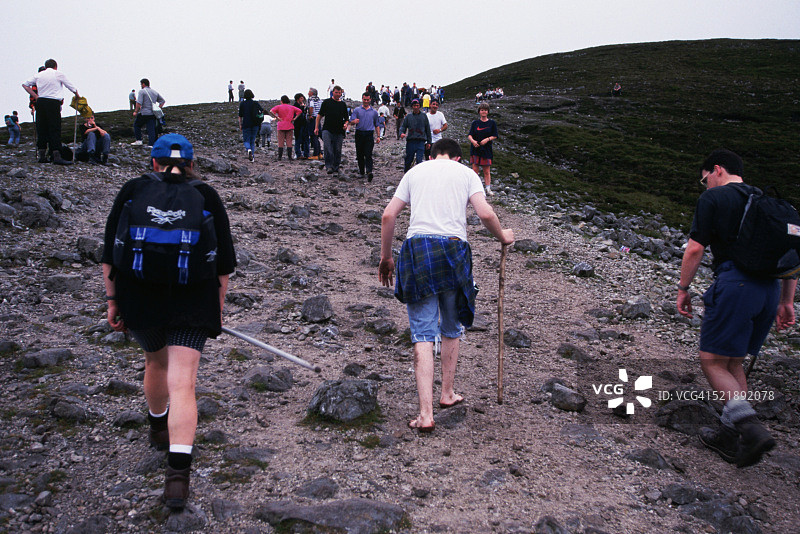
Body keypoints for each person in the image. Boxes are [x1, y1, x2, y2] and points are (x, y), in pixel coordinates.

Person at [101, 133, 236, 510]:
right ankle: (178, 476)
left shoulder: (132, 190)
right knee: (184, 382)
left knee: (154, 361)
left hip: (139, 296)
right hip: (193, 300)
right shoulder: (206, 196)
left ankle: (158, 426)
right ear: (192, 163)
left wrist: (113, 301)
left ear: (154, 162)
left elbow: (110, 251)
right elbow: (224, 264)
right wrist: (217, 306)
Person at [379, 138, 514, 432]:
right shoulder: (466, 173)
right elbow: (485, 213)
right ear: (457, 157)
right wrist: (503, 236)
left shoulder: (415, 172)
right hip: (453, 250)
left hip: (417, 250)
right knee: (452, 326)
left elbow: (389, 215)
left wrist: (386, 257)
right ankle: (447, 393)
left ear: (431, 155)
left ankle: (425, 414)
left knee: (423, 333)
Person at [677, 149, 797, 468]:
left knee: (712, 362)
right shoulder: (766, 203)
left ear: (717, 170)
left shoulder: (715, 199)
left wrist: (683, 289)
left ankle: (751, 428)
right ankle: (731, 438)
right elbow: (790, 255)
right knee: (733, 364)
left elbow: (695, 250)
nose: (705, 187)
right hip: (769, 291)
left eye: (705, 180)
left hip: (736, 285)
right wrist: (787, 301)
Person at [22, 59, 79, 165]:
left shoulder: (39, 75)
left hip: (41, 102)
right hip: (53, 103)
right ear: (55, 66)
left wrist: (35, 96)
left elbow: (25, 85)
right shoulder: (58, 74)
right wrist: (77, 96)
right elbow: (71, 87)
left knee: (42, 127)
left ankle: (42, 156)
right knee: (54, 128)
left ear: (46, 66)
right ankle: (56, 156)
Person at [314, 85, 349, 174]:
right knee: (328, 148)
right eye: (336, 92)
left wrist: (346, 124)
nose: (338, 94)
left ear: (341, 93)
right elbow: (319, 116)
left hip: (339, 131)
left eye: (339, 93)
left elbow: (346, 119)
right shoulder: (327, 102)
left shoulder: (343, 104)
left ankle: (336, 166)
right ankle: (329, 166)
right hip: (327, 130)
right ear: (332, 92)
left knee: (337, 149)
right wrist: (316, 127)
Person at [467, 102, 498, 196]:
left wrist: (487, 139)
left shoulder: (492, 123)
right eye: (482, 110)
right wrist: (473, 141)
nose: (483, 112)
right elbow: (469, 135)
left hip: (486, 149)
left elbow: (495, 135)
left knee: (486, 171)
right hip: (475, 149)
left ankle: (488, 189)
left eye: (485, 110)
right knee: (475, 170)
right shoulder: (475, 123)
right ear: (479, 112)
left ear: (488, 111)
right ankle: (474, 189)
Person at [350, 92, 381, 181]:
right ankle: (361, 171)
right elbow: (351, 121)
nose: (366, 101)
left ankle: (369, 171)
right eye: (364, 99)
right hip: (359, 133)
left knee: (368, 153)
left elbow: (377, 124)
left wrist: (378, 136)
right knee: (359, 154)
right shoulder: (357, 110)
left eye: (368, 100)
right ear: (362, 99)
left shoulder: (374, 112)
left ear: (370, 99)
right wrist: (353, 122)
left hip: (369, 134)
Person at [399, 100, 431, 172]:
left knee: (419, 161)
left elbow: (427, 129)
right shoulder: (408, 117)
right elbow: (403, 127)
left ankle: (418, 176)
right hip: (411, 141)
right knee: (408, 160)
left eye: (417, 106)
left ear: (419, 106)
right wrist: (401, 133)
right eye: (414, 106)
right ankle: (406, 174)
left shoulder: (424, 116)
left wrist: (429, 141)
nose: (416, 107)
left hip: (421, 142)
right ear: (412, 107)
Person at [132, 78, 165, 147]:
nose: (141, 85)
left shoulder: (142, 91)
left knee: (137, 125)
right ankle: (151, 144)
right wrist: (158, 108)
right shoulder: (154, 92)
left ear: (143, 84)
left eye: (141, 84)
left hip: (144, 113)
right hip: (152, 114)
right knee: (151, 129)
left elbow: (138, 103)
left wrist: (135, 111)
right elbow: (162, 101)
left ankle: (139, 140)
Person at [269, 95, 301, 161]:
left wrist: (277, 117)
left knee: (280, 142)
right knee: (289, 141)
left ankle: (280, 157)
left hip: (281, 125)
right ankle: (289, 157)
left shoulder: (278, 107)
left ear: (281, 101)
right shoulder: (292, 107)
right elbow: (300, 111)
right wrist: (294, 118)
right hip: (289, 125)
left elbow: (271, 111)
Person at [239, 89, 263, 162]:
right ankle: (252, 157)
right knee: (252, 140)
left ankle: (248, 150)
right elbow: (261, 111)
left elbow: (240, 116)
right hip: (255, 124)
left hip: (246, 124)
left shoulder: (242, 104)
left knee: (246, 140)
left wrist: (240, 124)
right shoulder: (255, 103)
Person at [306, 87, 323, 160]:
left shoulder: (311, 99)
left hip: (313, 119)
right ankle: (320, 153)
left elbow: (311, 106)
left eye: (309, 92)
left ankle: (316, 154)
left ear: (312, 93)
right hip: (318, 118)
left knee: (313, 136)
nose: (308, 93)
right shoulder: (319, 100)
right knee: (317, 135)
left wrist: (310, 115)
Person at [293, 93, 310, 160]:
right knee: (298, 139)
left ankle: (306, 154)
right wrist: (303, 108)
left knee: (305, 140)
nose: (302, 100)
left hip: (304, 124)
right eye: (301, 98)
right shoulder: (295, 106)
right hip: (298, 125)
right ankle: (298, 154)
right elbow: (299, 114)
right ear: (298, 99)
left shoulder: (300, 106)